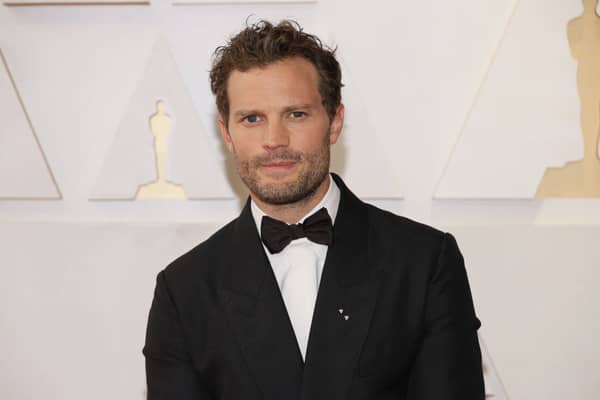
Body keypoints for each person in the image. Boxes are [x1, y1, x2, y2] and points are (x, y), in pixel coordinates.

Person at [143, 20, 485, 400]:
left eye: (296, 114)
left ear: (334, 122)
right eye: (252, 118)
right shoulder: (184, 290)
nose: (274, 140)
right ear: (227, 134)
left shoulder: (424, 263)